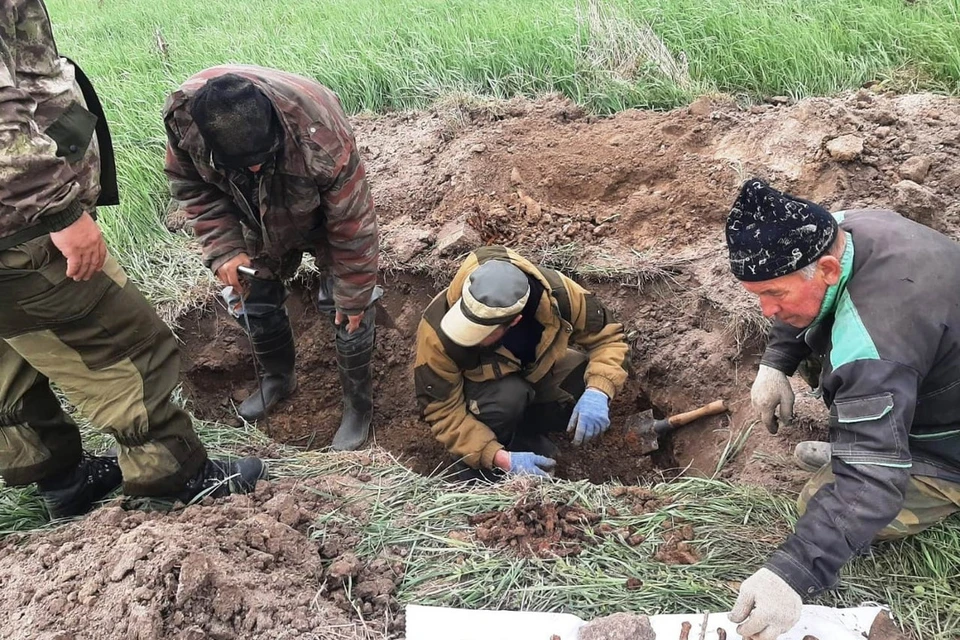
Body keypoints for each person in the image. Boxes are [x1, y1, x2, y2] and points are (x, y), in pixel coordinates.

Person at [0, 0, 264, 519]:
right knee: (125, 347)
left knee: (11, 353)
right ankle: (178, 480)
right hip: (23, 227)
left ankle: (60, 479)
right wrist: (59, 215)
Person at [724, 178, 960, 640]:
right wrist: (776, 363)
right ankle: (872, 438)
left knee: (821, 500)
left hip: (949, 443)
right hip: (933, 373)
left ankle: (917, 466)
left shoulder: (875, 344)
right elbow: (803, 288)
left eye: (774, 294)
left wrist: (791, 572)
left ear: (828, 269)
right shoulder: (842, 228)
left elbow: (872, 484)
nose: (766, 309)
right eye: (757, 295)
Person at [163, 66, 380, 451]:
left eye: (261, 159)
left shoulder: (320, 135)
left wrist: (355, 291)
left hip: (312, 199)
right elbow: (192, 187)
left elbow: (352, 224)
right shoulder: (186, 122)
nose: (256, 168)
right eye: (246, 164)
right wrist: (225, 248)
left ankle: (357, 408)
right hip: (247, 205)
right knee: (252, 288)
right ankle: (278, 378)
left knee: (349, 304)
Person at [414, 246, 630, 480]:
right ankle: (483, 463)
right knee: (509, 397)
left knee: (580, 374)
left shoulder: (558, 294)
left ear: (514, 321)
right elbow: (442, 411)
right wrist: (499, 457)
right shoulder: (437, 332)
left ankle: (527, 434)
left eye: (481, 332)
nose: (471, 337)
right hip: (485, 400)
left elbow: (609, 338)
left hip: (534, 375)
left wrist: (598, 391)